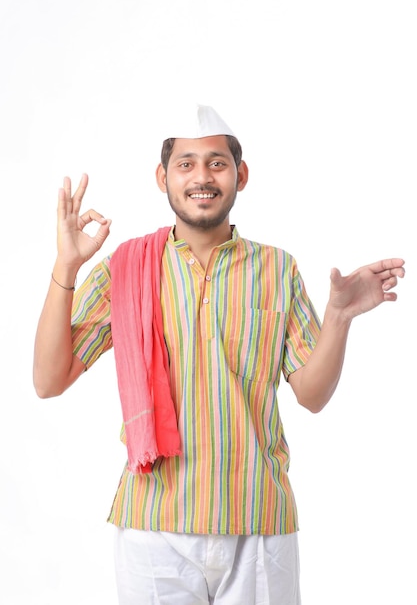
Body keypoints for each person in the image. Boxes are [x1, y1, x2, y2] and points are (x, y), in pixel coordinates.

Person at [33, 104, 405, 605]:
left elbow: (312, 396)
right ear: (162, 177)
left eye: (216, 162)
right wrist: (67, 265)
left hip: (258, 524)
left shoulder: (277, 269)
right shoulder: (128, 268)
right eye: (186, 164)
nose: (201, 177)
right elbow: (48, 379)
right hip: (153, 526)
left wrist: (338, 316)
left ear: (240, 175)